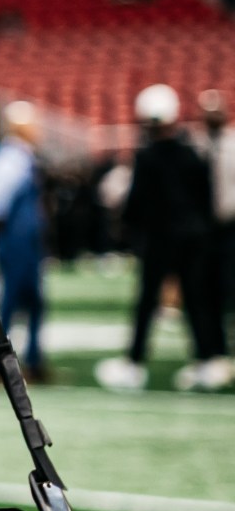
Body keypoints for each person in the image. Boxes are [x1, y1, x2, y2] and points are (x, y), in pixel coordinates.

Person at [101, 84, 228, 392]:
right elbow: (206, 198)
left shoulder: (146, 158)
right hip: (193, 238)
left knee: (147, 302)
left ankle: (134, 363)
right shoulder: (192, 153)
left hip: (159, 239)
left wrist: (127, 229)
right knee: (197, 301)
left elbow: (136, 203)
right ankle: (208, 360)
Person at [0, 101, 50, 381]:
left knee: (33, 303)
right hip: (16, 243)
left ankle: (32, 360)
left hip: (27, 242)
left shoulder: (22, 157)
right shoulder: (10, 160)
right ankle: (0, 362)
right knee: (11, 303)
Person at [203, 91, 235, 344]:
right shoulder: (197, 146)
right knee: (211, 287)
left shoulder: (233, 144)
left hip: (231, 225)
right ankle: (217, 342)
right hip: (206, 229)